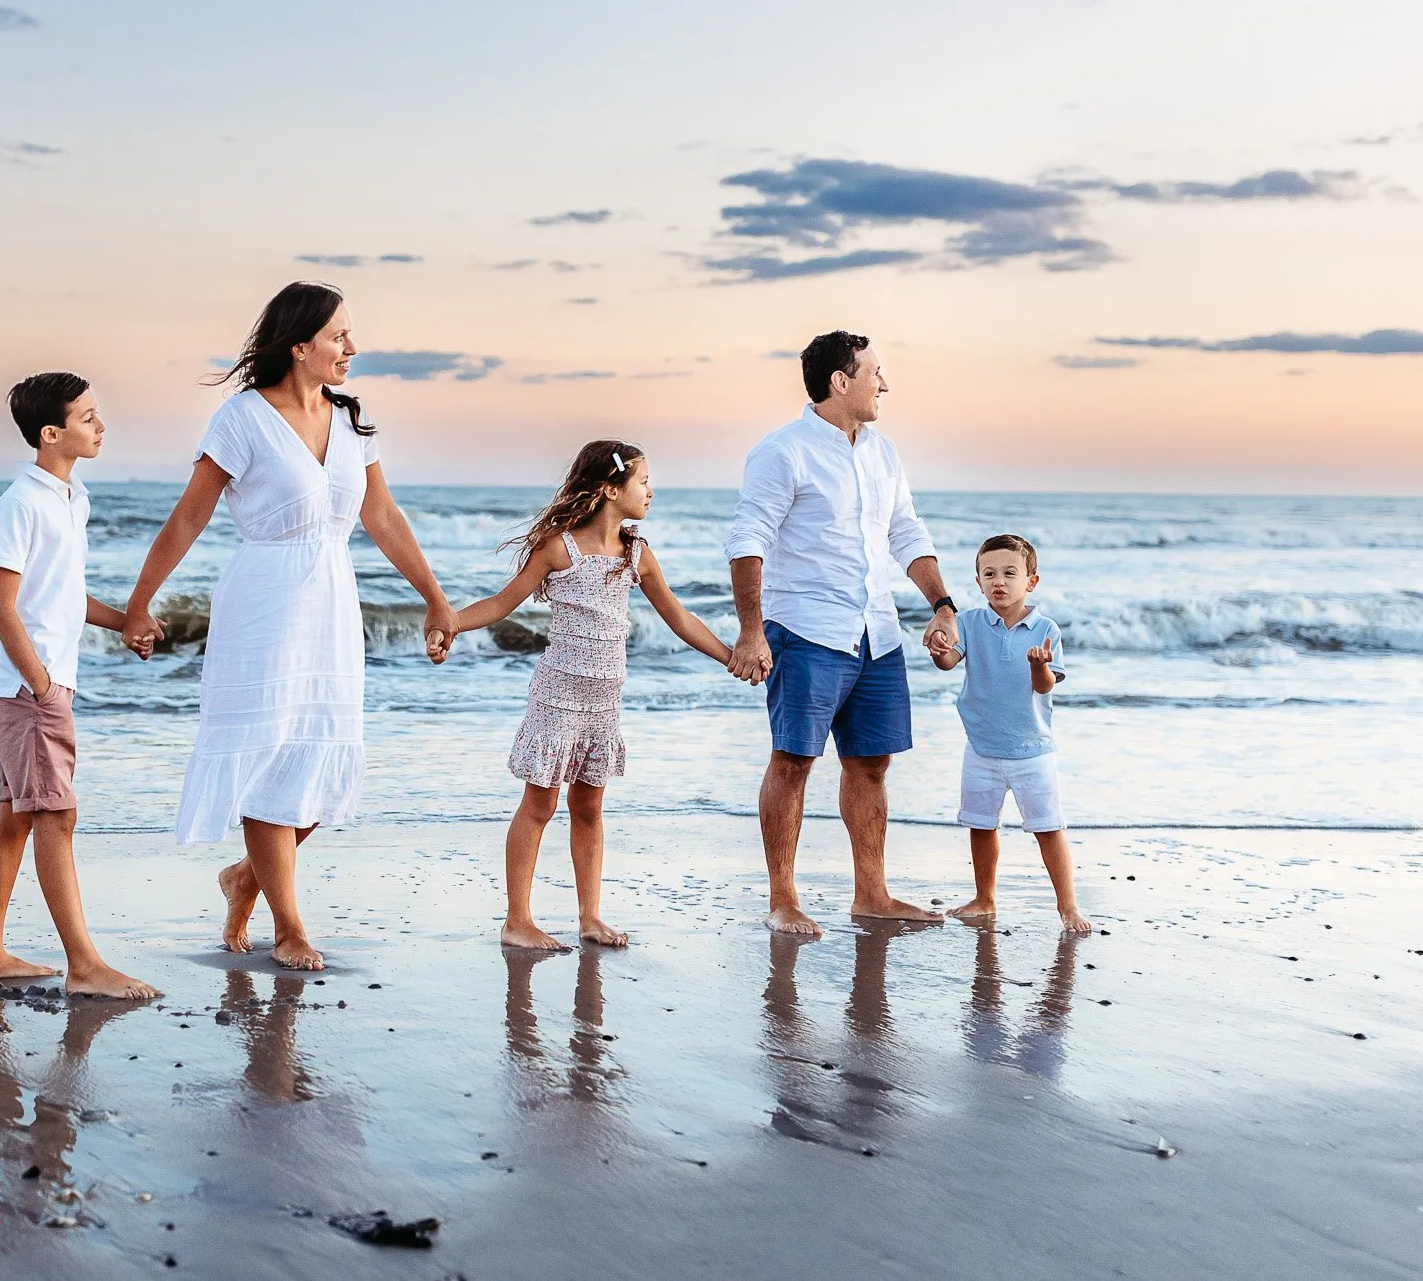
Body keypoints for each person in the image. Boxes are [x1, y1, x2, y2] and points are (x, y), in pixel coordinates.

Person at [121, 282, 454, 971]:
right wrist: (139, 603)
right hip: (264, 605)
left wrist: (435, 596)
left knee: (322, 751)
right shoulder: (241, 419)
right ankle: (289, 924)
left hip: (333, 604)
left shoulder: (353, 421)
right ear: (299, 345)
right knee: (269, 756)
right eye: (338, 336)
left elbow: (383, 518)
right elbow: (190, 515)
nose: (351, 349)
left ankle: (247, 876)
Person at [451, 441, 740, 950]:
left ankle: (590, 917)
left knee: (589, 808)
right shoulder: (562, 549)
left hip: (604, 707)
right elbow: (503, 602)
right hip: (557, 699)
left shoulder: (637, 554)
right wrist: (450, 623)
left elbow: (679, 618)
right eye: (643, 481)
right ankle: (517, 919)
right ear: (610, 490)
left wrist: (730, 655)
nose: (651, 490)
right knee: (539, 806)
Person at [726, 331, 959, 936]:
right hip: (804, 630)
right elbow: (747, 540)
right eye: (876, 372)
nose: (885, 384)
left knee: (871, 765)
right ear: (841, 380)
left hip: (875, 632)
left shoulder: (883, 452)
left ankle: (871, 894)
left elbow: (906, 532)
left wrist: (942, 604)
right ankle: (783, 899)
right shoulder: (783, 452)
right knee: (792, 761)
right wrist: (752, 632)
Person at [0, 372, 161, 998]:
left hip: (44, 685)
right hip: (30, 689)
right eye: (86, 418)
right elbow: (3, 606)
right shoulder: (20, 503)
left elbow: (63, 596)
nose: (100, 426)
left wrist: (126, 621)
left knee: (18, 816)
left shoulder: (73, 499)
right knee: (57, 814)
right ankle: (84, 965)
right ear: (51, 434)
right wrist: (42, 686)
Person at [932, 533, 1090, 934]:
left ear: (1030, 581)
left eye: (1009, 573)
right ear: (978, 581)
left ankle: (1068, 906)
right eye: (989, 574)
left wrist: (1039, 665)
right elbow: (950, 661)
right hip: (981, 748)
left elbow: (1045, 686)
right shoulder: (968, 622)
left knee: (1048, 828)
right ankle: (985, 899)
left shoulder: (1045, 628)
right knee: (981, 825)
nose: (998, 581)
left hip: (1032, 751)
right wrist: (939, 651)